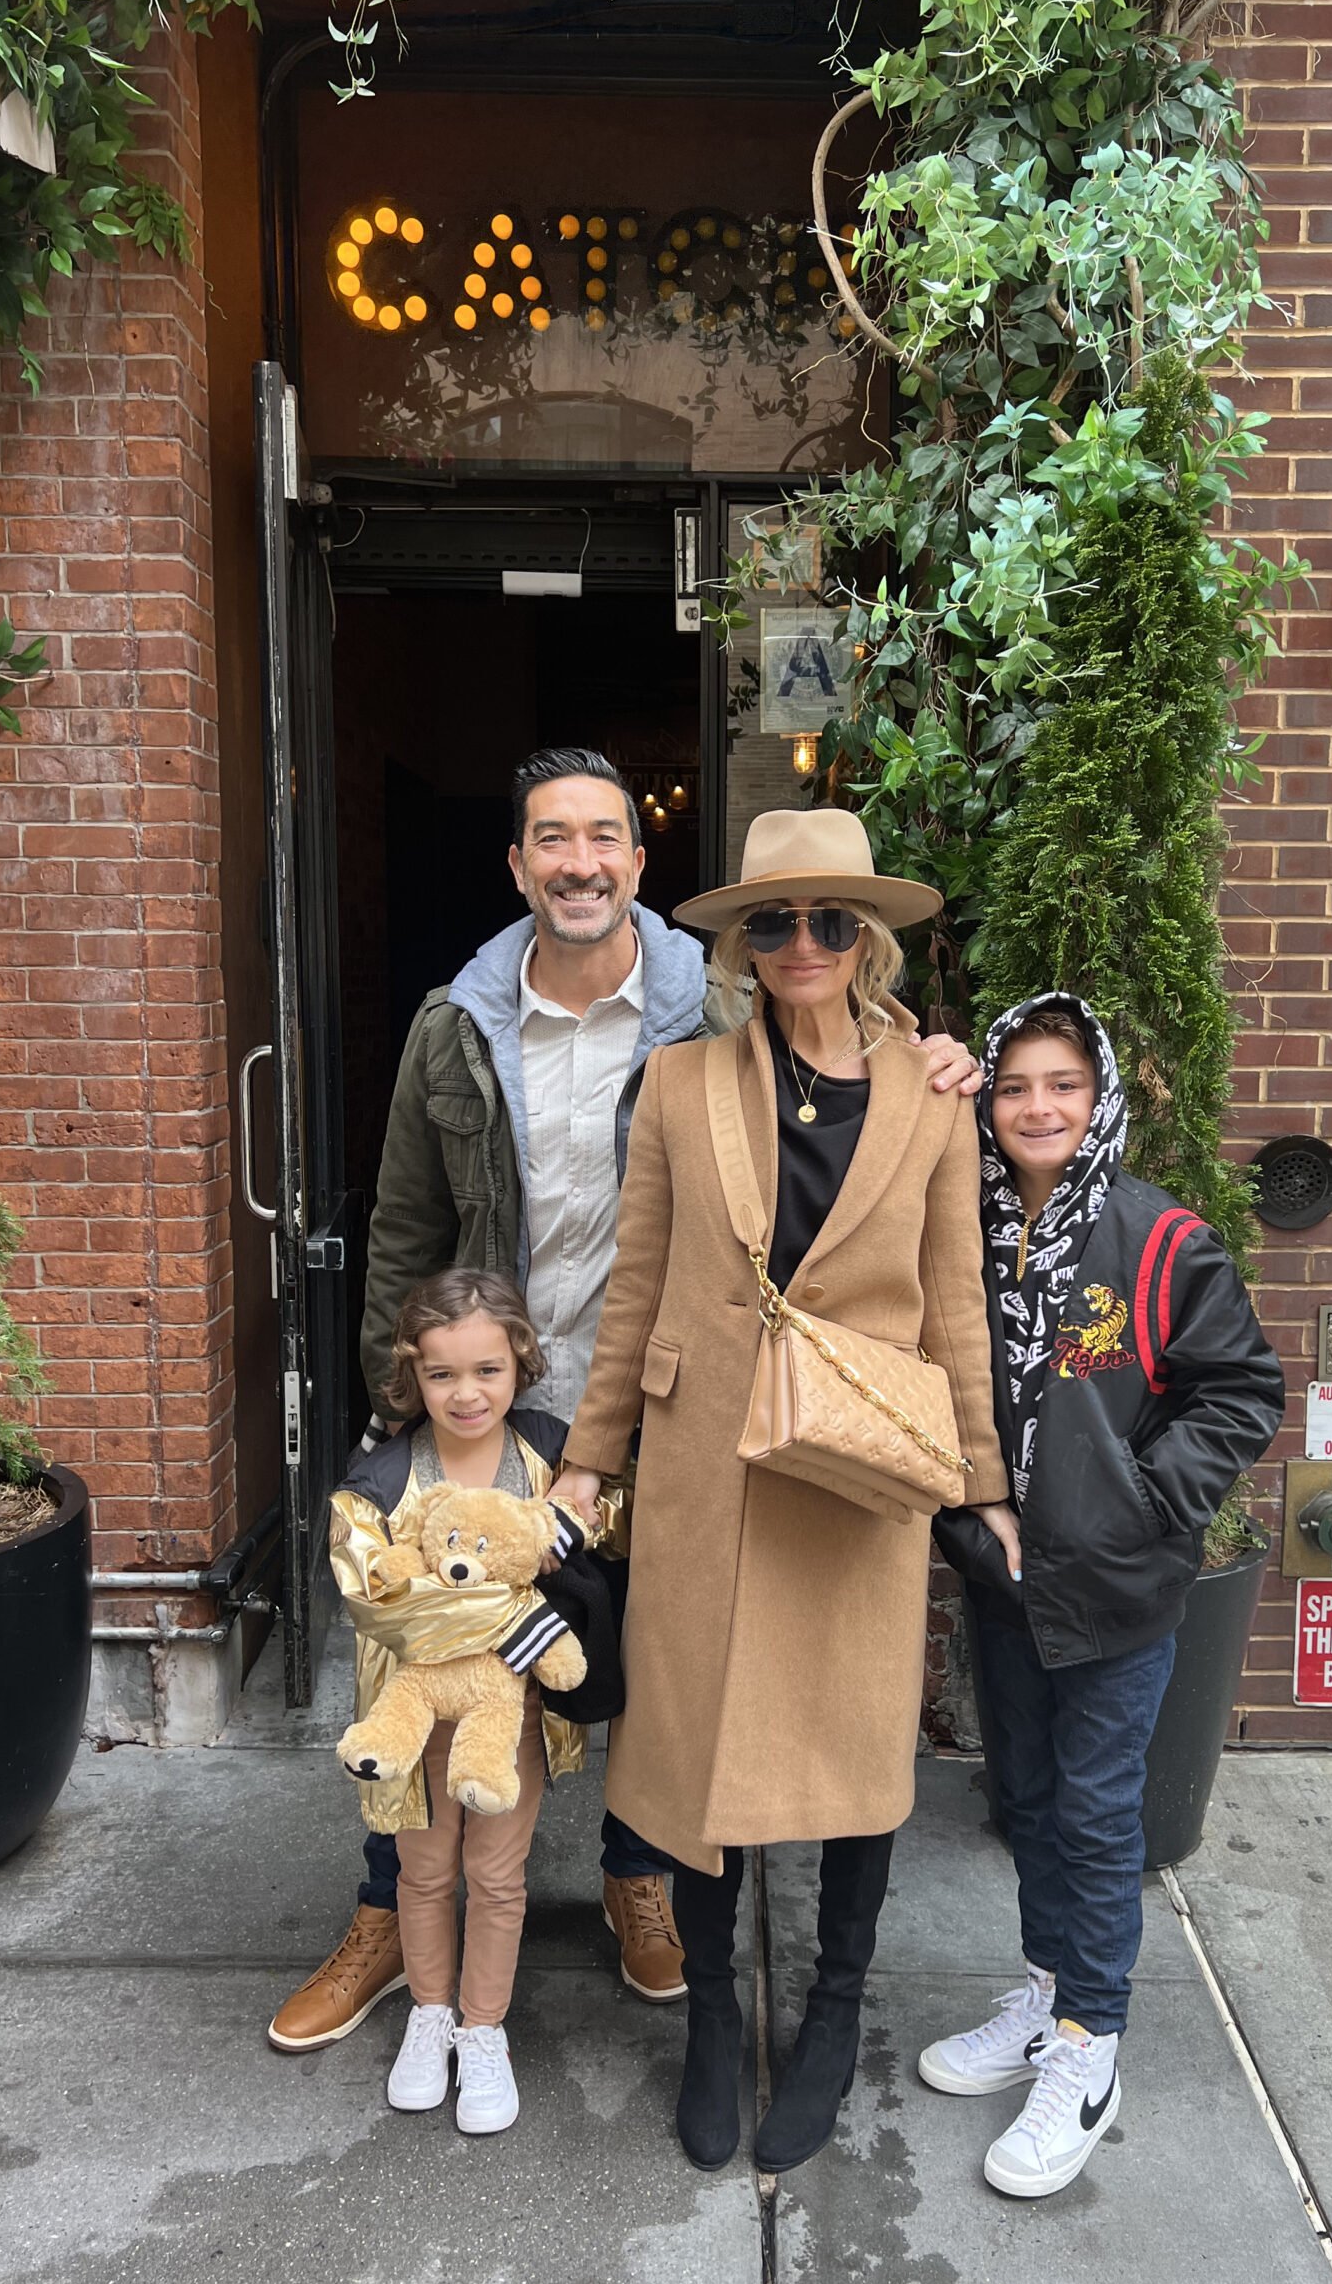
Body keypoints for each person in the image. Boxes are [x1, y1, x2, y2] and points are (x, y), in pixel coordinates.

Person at [269, 750, 984, 2053]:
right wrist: (394, 1413)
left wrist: (926, 1058)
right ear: (520, 864)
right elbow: (404, 1228)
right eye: (553, 839)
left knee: (661, 1663)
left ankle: (637, 1879)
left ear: (639, 865)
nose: (581, 862)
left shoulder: (704, 1018)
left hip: (674, 1403)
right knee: (431, 1651)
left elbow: (835, 1103)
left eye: (605, 837)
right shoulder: (457, 1025)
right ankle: (392, 1906)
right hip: (493, 1409)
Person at [554, 808, 1020, 2174]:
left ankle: (831, 2019)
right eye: (774, 921)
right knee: (699, 1755)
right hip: (706, 1467)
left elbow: (954, 1306)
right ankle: (712, 2020)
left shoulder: (934, 1096)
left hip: (857, 1471)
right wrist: (592, 1455)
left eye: (828, 920)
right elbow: (634, 1284)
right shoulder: (681, 1084)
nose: (801, 943)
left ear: (865, 936)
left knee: (856, 1756)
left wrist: (980, 1483)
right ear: (742, 943)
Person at [923, 994, 1284, 2198]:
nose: (1038, 1108)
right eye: (1014, 1085)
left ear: (1101, 1097)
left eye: (1063, 1086)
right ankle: (1044, 1993)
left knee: (1095, 1811)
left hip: (1120, 1587)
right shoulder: (960, 1230)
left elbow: (1239, 1388)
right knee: (1024, 1794)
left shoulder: (1159, 1238)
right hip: (1002, 1577)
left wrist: (1142, 1498)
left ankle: (1090, 2043)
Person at [328, 1268, 601, 2134]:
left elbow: (613, 1527)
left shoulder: (554, 1457)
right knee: (423, 1870)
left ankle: (483, 2030)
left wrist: (582, 1518)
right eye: (442, 1374)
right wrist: (518, 1594)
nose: (467, 1392)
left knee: (495, 1874)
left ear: (520, 1359)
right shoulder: (379, 1476)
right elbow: (376, 1594)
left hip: (508, 1715)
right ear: (414, 1374)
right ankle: (429, 2014)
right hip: (411, 1716)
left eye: (487, 1369)